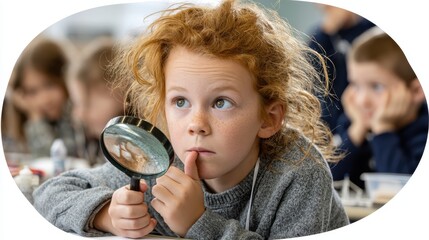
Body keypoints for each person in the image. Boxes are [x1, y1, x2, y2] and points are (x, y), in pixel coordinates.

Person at [33, 0, 349, 239]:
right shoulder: (161, 160)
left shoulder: (297, 172)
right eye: (180, 101)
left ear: (268, 118)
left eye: (221, 102)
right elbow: (51, 193)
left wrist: (199, 223)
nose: (195, 123)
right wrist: (106, 214)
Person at [330, 29, 428, 188]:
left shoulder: (423, 134)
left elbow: (397, 188)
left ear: (416, 90)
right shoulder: (354, 123)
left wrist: (383, 130)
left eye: (376, 87)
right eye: (355, 85)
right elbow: (327, 181)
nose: (362, 101)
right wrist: (356, 132)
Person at [3, 37, 79, 157]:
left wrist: (35, 118)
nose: (44, 99)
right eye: (32, 92)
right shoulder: (20, 119)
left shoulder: (76, 115)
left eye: (49, 85)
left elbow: (55, 160)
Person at [308, 4, 375, 134]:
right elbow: (316, 85)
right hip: (337, 125)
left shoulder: (371, 29)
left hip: (370, 112)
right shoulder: (320, 38)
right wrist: (326, 33)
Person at [67, 37, 126, 166]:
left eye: (86, 104)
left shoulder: (133, 146)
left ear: (118, 92)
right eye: (76, 104)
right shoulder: (95, 139)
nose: (78, 114)